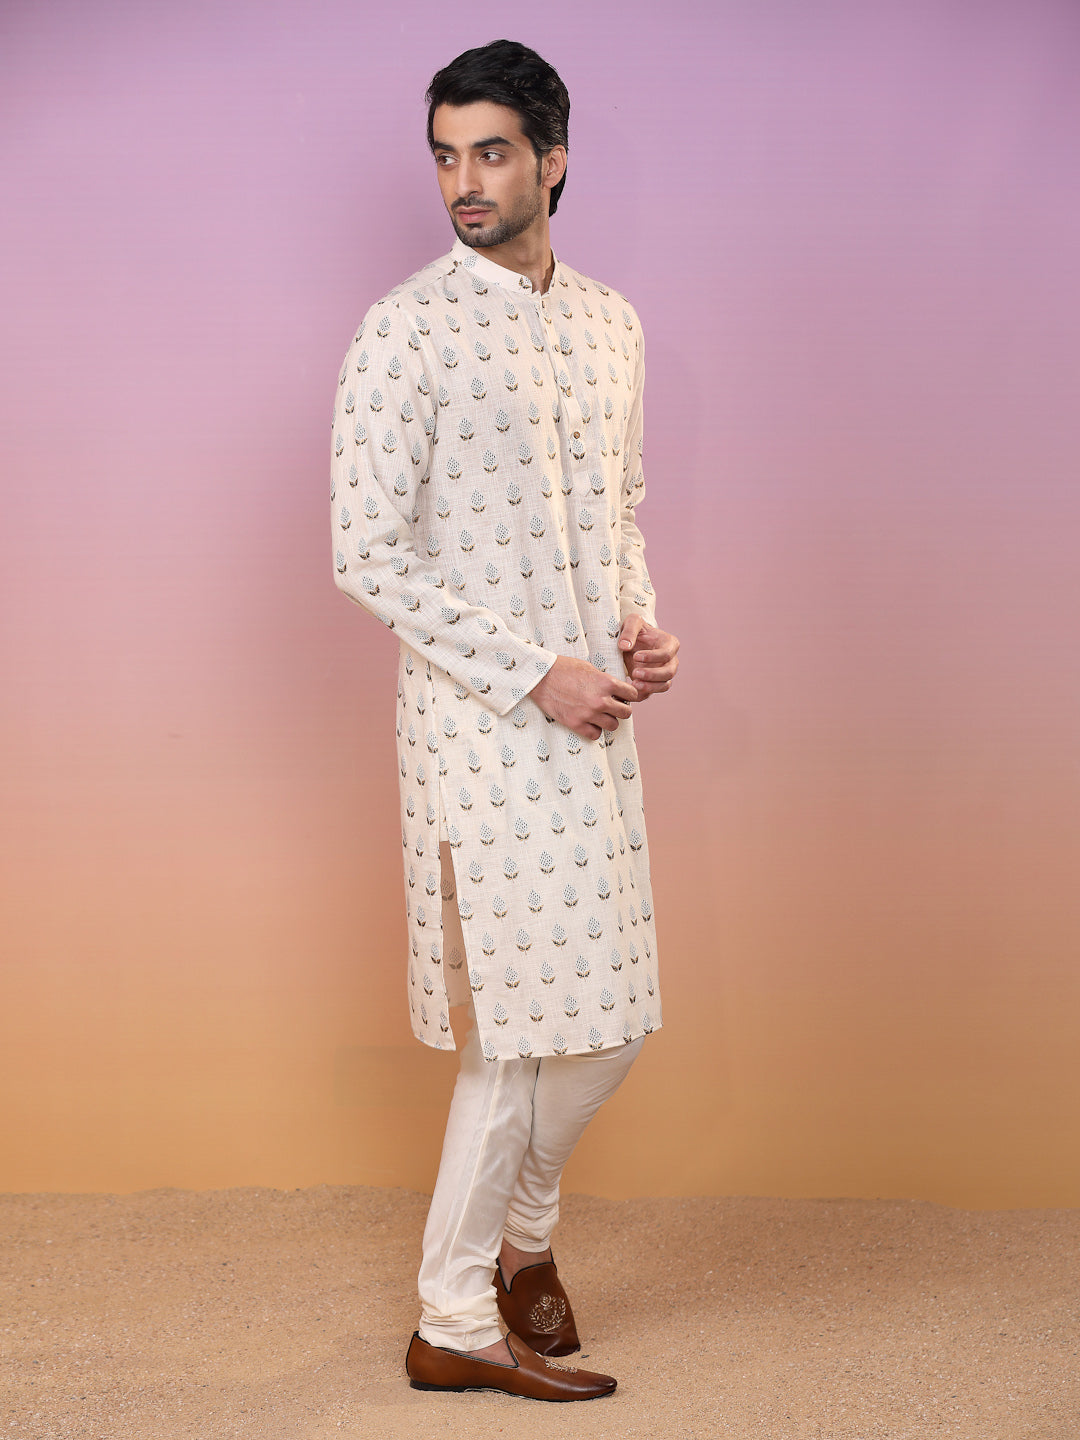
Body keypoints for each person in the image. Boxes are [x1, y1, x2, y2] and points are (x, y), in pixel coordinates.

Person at [330, 39, 679, 1401]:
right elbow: (366, 553)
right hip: (482, 726)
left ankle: (524, 1240)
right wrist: (536, 671)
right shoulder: (404, 330)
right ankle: (455, 1319)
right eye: (445, 155)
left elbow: (619, 506)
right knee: (517, 1034)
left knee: (614, 1017)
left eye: (490, 152)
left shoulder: (611, 323)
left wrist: (639, 623)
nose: (463, 181)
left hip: (596, 717)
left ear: (554, 159)